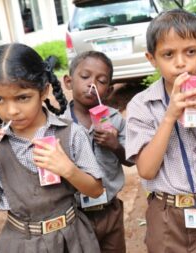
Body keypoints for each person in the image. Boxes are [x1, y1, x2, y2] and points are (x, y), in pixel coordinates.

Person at [0, 43, 104, 253]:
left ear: (44, 91)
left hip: (73, 240)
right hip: (21, 244)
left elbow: (96, 190)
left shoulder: (71, 133)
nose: (11, 110)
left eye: (22, 98)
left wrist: (68, 170)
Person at [125, 9, 196, 253]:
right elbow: (145, 170)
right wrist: (169, 116)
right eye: (168, 54)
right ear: (152, 58)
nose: (181, 62)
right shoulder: (142, 105)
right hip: (167, 214)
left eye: (190, 52)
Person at [63, 51, 132, 253]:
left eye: (100, 81)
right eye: (85, 77)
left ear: (109, 90)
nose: (92, 84)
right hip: (75, 214)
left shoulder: (115, 120)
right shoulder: (59, 124)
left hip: (109, 210)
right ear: (68, 81)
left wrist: (115, 146)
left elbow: (132, 161)